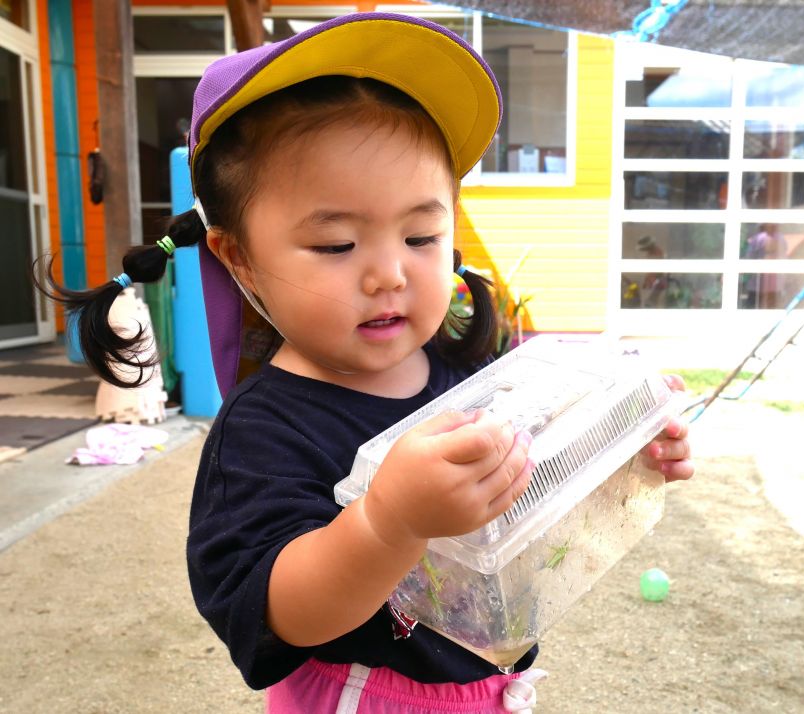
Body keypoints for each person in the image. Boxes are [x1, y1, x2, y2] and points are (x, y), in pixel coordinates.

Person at [35, 14, 694, 713]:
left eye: (420, 234)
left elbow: (524, 491)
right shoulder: (264, 430)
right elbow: (275, 612)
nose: (389, 274)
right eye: (337, 245)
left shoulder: (463, 371)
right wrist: (387, 524)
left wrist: (617, 448)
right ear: (241, 258)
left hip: (490, 688)